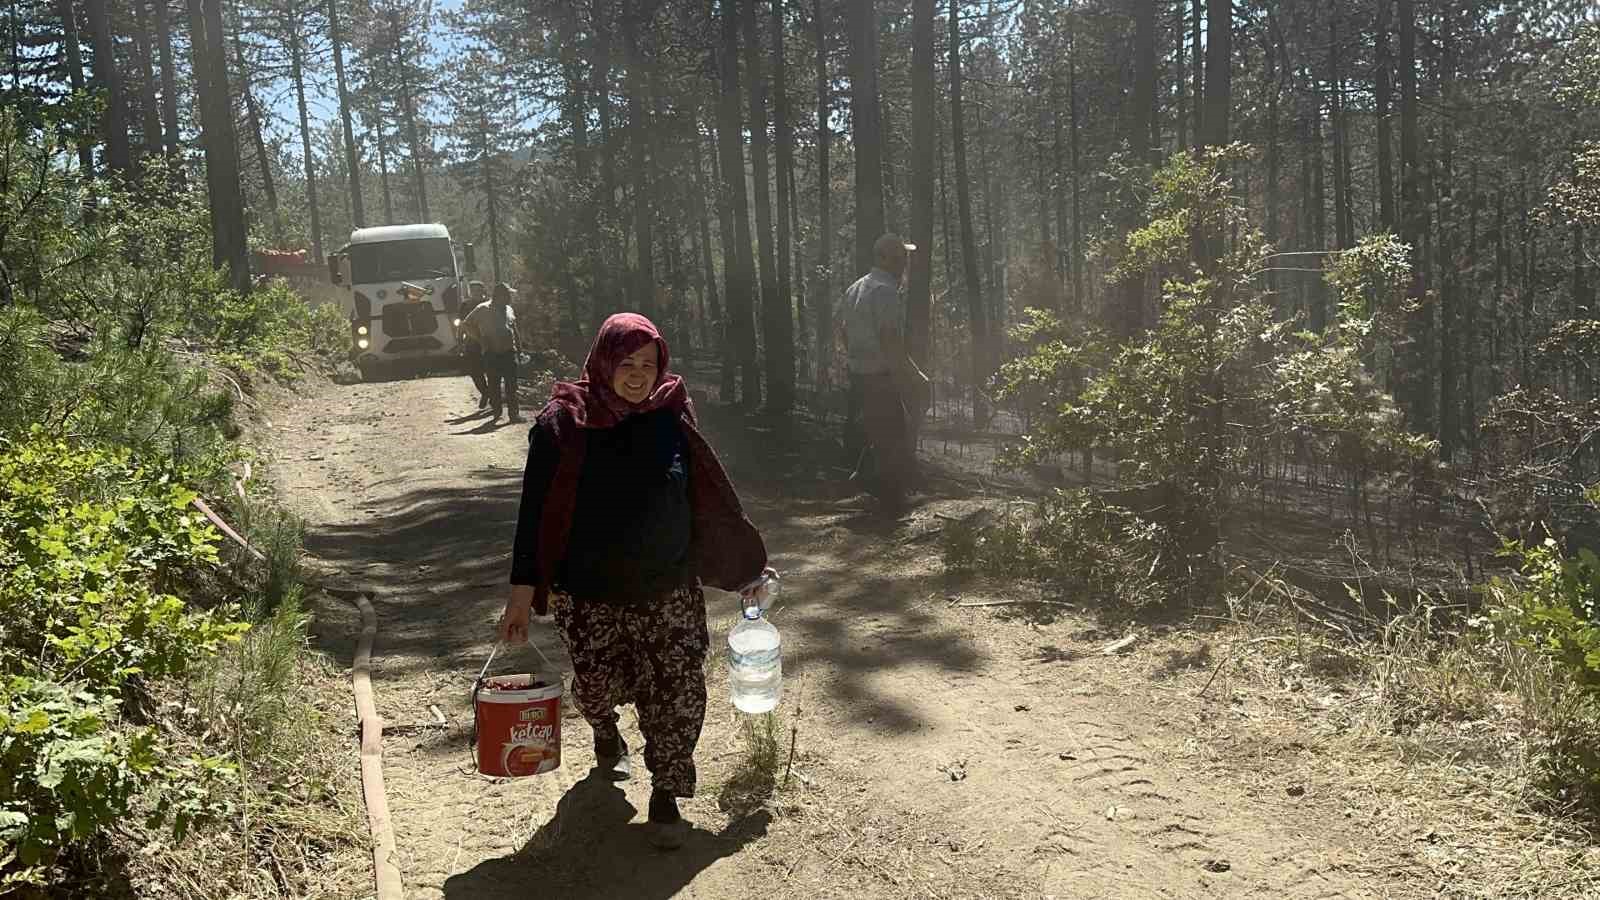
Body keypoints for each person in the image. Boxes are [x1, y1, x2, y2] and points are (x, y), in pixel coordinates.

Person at [498, 313, 772, 850]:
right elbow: (533, 516)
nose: (638, 375)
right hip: (590, 594)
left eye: (648, 364)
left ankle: (666, 793)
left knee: (677, 690)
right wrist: (521, 597)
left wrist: (746, 571)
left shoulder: (671, 416)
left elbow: (709, 503)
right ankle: (604, 731)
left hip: (668, 591)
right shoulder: (562, 425)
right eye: (627, 363)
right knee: (599, 688)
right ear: (603, 361)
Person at [841, 233, 930, 513]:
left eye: (903, 258)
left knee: (874, 431)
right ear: (882, 258)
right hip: (879, 376)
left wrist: (856, 360)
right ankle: (893, 502)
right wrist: (912, 376)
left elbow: (843, 330)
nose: (903, 263)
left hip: (859, 374)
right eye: (898, 258)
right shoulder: (885, 290)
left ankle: (869, 484)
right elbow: (890, 339)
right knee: (894, 435)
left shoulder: (856, 287)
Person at [462, 282, 521, 422]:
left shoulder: (509, 309)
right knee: (494, 384)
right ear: (500, 295)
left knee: (512, 385)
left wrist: (519, 348)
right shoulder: (483, 308)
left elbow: (514, 328)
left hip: (509, 351)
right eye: (508, 295)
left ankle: (514, 415)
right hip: (491, 352)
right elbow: (466, 324)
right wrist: (480, 339)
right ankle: (497, 412)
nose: (510, 298)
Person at [460, 281, 491, 409]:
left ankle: (494, 397)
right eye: (472, 290)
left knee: (491, 371)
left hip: (489, 340)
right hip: (472, 342)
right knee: (475, 372)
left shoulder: (489, 303)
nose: (475, 292)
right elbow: (461, 324)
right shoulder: (465, 305)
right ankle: (485, 393)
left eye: (478, 290)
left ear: (483, 290)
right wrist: (460, 341)